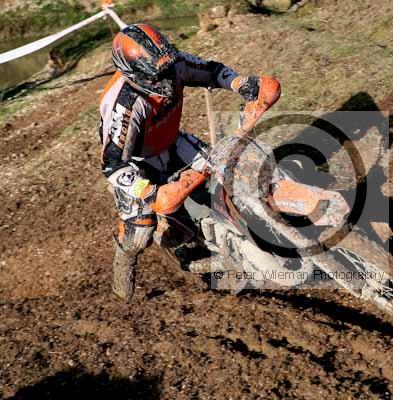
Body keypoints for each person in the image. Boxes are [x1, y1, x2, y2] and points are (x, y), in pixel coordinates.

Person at [99, 23, 280, 301]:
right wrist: (148, 191)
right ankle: (123, 273)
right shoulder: (124, 104)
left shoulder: (174, 64)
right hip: (134, 165)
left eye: (166, 70)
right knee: (140, 232)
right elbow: (113, 165)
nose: (167, 81)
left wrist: (241, 83)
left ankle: (253, 227)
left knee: (229, 168)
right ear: (135, 75)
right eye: (158, 76)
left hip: (171, 142)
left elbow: (213, 71)